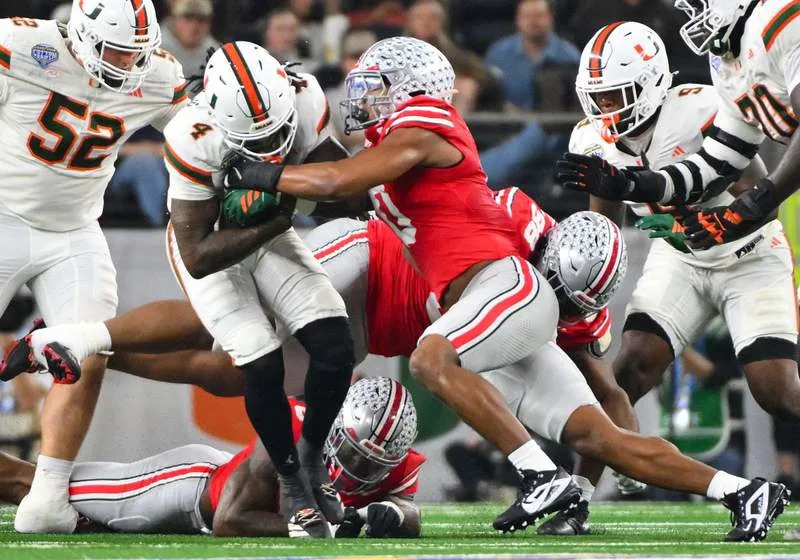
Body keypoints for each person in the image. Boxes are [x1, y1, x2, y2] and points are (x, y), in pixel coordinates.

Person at [15, 206, 791, 540]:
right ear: (542, 257)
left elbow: (609, 396)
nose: (557, 306)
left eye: (569, 304)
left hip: (423, 326)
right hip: (372, 272)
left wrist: (592, 483)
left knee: (585, 425)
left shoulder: (561, 304)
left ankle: (738, 489)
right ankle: (92, 340)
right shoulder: (512, 224)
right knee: (233, 349)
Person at [219, 35, 588, 533]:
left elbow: (337, 183)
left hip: (487, 289)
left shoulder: (424, 121)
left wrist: (261, 175)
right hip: (453, 291)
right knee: (238, 353)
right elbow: (343, 188)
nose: (361, 98)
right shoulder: (399, 140)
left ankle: (541, 475)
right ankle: (729, 489)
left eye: (373, 86)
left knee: (428, 361)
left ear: (409, 90)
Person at [552, 20, 798, 531]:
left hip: (749, 256)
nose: (606, 112)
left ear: (650, 82)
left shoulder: (700, 107)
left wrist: (679, 211)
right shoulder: (590, 137)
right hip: (679, 260)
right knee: (627, 372)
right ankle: (577, 496)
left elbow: (757, 203)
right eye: (596, 99)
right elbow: (606, 229)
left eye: (617, 95)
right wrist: (586, 299)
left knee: (776, 392)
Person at [0, 0, 187, 533]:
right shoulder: (20, 47)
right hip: (2, 218)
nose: (126, 65)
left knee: (88, 347)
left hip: (75, 232)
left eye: (137, 54)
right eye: (116, 51)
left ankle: (48, 496)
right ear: (80, 34)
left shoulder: (158, 75)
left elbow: (198, 130)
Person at [0, 377, 424, 538]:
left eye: (372, 465)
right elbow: (230, 521)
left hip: (213, 488)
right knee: (33, 487)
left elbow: (408, 510)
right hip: (188, 491)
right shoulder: (293, 431)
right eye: (351, 451)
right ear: (334, 427)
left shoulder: (393, 462)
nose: (357, 469)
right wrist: (319, 525)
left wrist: (394, 513)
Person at [555, 0, 800, 253]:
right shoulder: (724, 64)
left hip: (748, 255)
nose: (694, 13)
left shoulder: (780, 17)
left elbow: (757, 195)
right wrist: (632, 186)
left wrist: (752, 206)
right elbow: (716, 163)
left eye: (699, 4)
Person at [484, 0, 580, 111]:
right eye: (527, 16)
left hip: (555, 125)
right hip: (506, 125)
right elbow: (487, 95)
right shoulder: (497, 54)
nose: (533, 22)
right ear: (517, 20)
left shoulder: (570, 56)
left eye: (539, 16)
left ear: (551, 18)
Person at [159, 0, 220, 83]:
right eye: (188, 18)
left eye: (201, 20)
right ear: (175, 18)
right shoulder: (155, 47)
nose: (194, 26)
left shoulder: (215, 54)